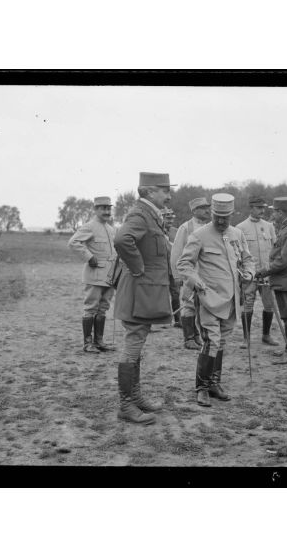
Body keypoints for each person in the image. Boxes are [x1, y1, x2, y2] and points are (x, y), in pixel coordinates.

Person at [177, 193, 255, 407]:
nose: (221, 221)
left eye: (225, 217)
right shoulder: (199, 235)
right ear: (211, 213)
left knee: (221, 341)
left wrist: (249, 273)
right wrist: (196, 281)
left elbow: (248, 259)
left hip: (231, 301)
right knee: (211, 340)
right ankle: (201, 387)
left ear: (231, 215)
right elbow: (184, 264)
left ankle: (214, 383)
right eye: (217, 216)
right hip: (209, 299)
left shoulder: (237, 234)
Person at [112, 172, 176, 425]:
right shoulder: (140, 214)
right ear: (149, 192)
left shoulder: (149, 214)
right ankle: (126, 405)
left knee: (137, 344)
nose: (168, 195)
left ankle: (135, 398)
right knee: (133, 345)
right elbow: (121, 239)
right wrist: (138, 267)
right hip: (139, 290)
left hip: (145, 291)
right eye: (164, 191)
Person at [254, 197, 287, 364]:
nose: (272, 215)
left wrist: (264, 271)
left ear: (280, 212)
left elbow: (284, 260)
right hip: (286, 277)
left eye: (274, 212)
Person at [68, 196, 117, 353]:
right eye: (102, 208)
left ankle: (99, 341)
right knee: (91, 308)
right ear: (95, 209)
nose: (106, 211)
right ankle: (87, 343)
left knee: (103, 309)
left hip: (109, 276)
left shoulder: (111, 229)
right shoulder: (89, 226)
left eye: (108, 208)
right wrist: (89, 257)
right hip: (94, 275)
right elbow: (73, 242)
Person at [236, 195, 279, 347]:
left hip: (267, 274)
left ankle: (266, 336)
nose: (262, 211)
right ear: (251, 208)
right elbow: (237, 253)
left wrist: (272, 268)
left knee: (269, 305)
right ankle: (246, 339)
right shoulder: (240, 228)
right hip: (250, 275)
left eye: (263, 208)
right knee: (248, 305)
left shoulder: (269, 226)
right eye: (259, 208)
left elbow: (275, 249)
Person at [170, 197, 212, 349]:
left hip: (206, 274)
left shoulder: (210, 227)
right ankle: (188, 339)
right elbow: (176, 252)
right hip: (189, 273)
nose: (207, 210)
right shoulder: (185, 227)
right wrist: (177, 276)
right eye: (203, 208)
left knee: (201, 305)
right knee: (188, 305)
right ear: (194, 211)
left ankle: (196, 336)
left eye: (208, 207)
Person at [161, 208, 182, 328]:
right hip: (161, 268)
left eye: (171, 218)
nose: (169, 221)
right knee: (161, 295)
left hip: (174, 268)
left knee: (176, 294)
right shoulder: (157, 232)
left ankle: (178, 320)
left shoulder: (177, 232)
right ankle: (162, 320)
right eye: (167, 218)